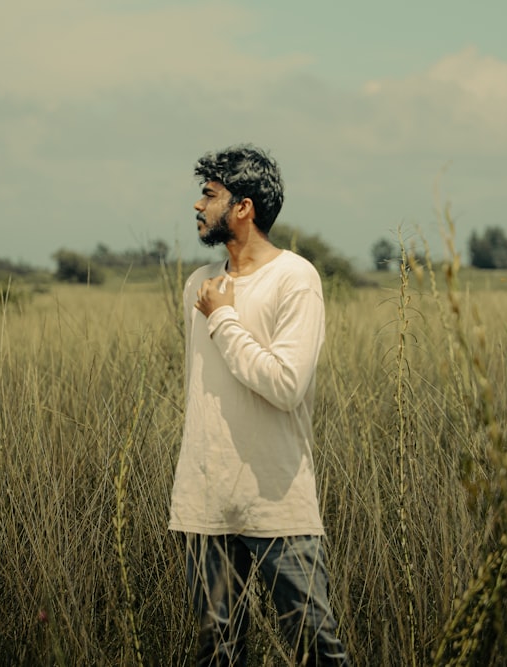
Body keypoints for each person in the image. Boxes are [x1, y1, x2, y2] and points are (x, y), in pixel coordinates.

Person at [169, 144, 350, 666]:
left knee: (318, 650)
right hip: (205, 503)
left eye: (209, 195)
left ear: (243, 207)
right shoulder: (198, 286)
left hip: (278, 502)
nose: (198, 207)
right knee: (218, 655)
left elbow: (286, 384)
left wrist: (224, 318)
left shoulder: (295, 278)